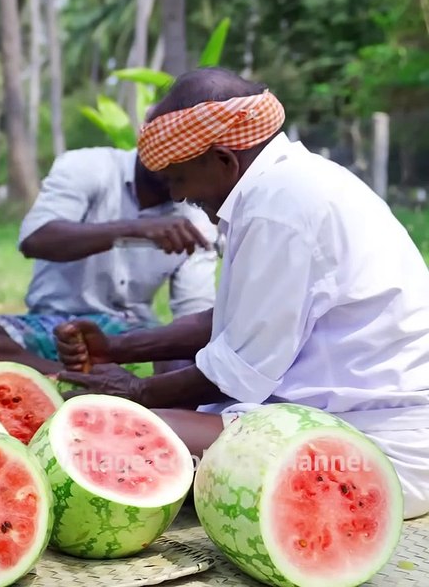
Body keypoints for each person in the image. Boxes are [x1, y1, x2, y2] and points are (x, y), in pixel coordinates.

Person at [54, 67, 429, 519]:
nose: (177, 194)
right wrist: (120, 346)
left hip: (371, 448)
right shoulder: (284, 186)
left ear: (224, 161)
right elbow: (238, 317)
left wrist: (138, 391)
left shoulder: (281, 206)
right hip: (320, 418)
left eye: (179, 179)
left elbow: (238, 374)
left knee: (118, 439)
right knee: (138, 424)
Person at [0, 144, 218, 375]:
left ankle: (87, 387)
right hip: (50, 326)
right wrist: (133, 229)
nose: (169, 154)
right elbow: (36, 239)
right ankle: (67, 382)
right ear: (145, 138)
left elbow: (194, 317)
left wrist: (144, 350)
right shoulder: (89, 167)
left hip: (130, 335)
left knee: (182, 359)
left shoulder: (197, 221)